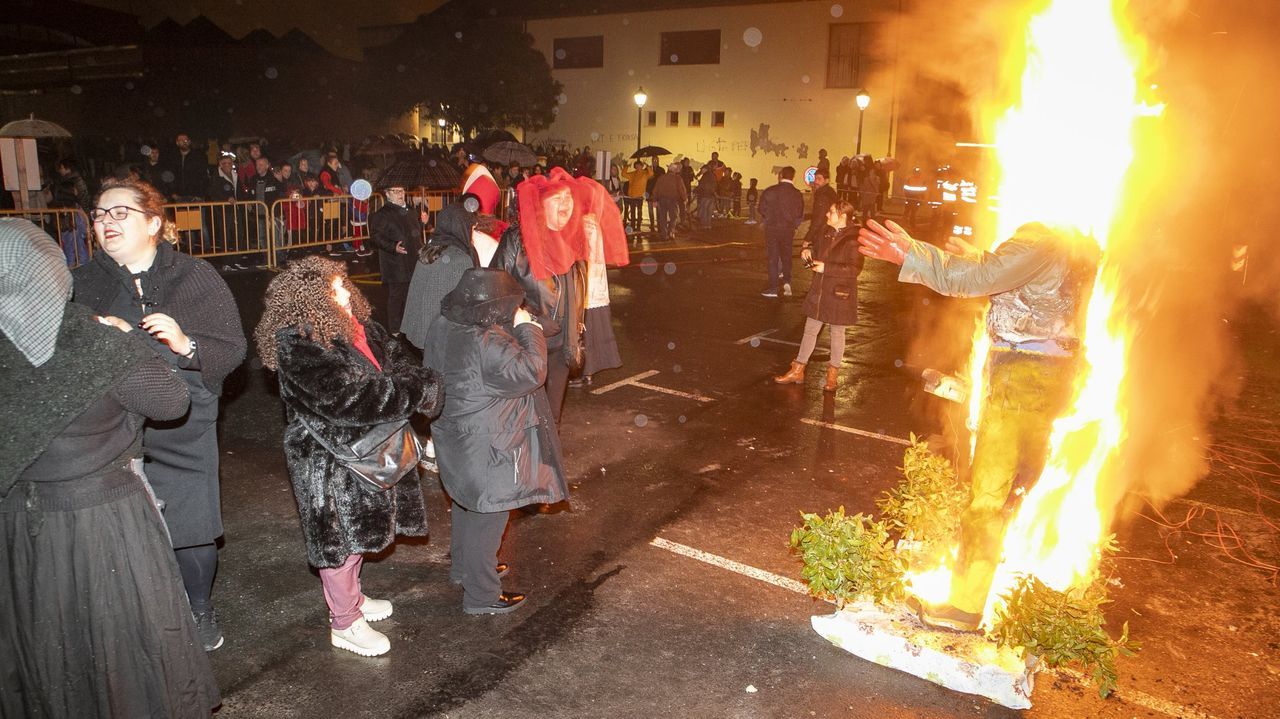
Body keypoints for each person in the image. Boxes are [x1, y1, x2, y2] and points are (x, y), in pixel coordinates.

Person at [0, 219, 220, 718]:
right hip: (104, 521)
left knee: (45, 646)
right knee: (122, 649)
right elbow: (169, 401)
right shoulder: (94, 341)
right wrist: (128, 341)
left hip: (19, 524)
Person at [857, 218, 1096, 631]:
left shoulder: (1042, 239)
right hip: (1045, 373)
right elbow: (1010, 280)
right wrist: (971, 258)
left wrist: (911, 253)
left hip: (1023, 373)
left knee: (989, 493)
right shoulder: (1071, 244)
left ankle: (964, 607)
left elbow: (980, 278)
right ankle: (1000, 586)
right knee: (1013, 488)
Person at [73, 177, 247, 652]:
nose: (106, 222)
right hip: (111, 421)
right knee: (120, 521)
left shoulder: (194, 277)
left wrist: (185, 343)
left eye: (119, 213)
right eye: (100, 214)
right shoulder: (83, 282)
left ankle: (199, 608)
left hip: (182, 420)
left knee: (191, 523)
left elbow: (232, 349)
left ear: (153, 222)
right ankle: (135, 608)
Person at [255, 256, 442, 656]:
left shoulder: (360, 325)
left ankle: (352, 600)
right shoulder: (300, 343)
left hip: (369, 448)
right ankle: (344, 622)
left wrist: (408, 380)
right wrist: (414, 390)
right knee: (339, 542)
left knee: (361, 535)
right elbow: (345, 400)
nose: (345, 291)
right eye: (334, 288)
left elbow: (398, 359)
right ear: (309, 300)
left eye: (343, 284)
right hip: (330, 458)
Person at [424, 268, 570, 614]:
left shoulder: (444, 324)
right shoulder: (486, 341)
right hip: (487, 442)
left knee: (466, 503)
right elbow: (532, 372)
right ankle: (482, 595)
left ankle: (467, 569)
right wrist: (528, 328)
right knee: (489, 515)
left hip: (456, 434)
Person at [774, 201, 864, 391]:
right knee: (810, 329)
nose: (826, 215)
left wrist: (827, 267)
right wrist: (808, 252)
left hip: (839, 294)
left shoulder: (854, 239)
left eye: (831, 212)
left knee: (837, 333)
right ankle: (798, 369)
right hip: (820, 290)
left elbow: (855, 269)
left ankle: (832, 376)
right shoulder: (827, 231)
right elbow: (817, 253)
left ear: (842, 216)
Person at [367, 182, 426, 334]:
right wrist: (392, 246)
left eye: (401, 190)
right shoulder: (383, 214)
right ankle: (394, 328)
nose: (400, 193)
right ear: (387, 194)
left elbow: (414, 232)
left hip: (412, 259)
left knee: (411, 294)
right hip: (395, 263)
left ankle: (409, 324)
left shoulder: (411, 210)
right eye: (395, 191)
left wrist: (423, 222)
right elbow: (375, 236)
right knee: (396, 296)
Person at [757, 166, 805, 298]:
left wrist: (769, 218)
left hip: (772, 229)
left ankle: (773, 288)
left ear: (781, 175)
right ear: (793, 176)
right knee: (787, 256)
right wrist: (793, 225)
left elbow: (761, 209)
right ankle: (787, 281)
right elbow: (800, 214)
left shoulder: (770, 191)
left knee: (773, 258)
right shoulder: (797, 194)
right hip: (788, 230)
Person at [652, 162, 688, 241]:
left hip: (662, 200)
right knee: (674, 217)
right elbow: (681, 189)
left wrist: (654, 200)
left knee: (662, 218)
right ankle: (671, 232)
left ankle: (664, 235)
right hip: (673, 200)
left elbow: (656, 189)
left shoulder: (661, 177)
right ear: (675, 170)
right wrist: (685, 198)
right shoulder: (677, 178)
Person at [621, 160, 651, 233]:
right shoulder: (633, 174)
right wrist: (627, 166)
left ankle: (638, 227)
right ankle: (633, 226)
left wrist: (647, 166)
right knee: (633, 212)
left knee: (639, 212)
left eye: (639, 165)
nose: (638, 167)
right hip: (632, 196)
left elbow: (651, 173)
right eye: (636, 166)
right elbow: (623, 174)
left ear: (642, 166)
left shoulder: (645, 173)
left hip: (640, 196)